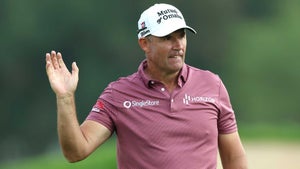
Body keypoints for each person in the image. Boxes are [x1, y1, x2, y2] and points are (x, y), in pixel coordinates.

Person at [45, 3, 248, 169]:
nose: (178, 45)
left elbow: (233, 158)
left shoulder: (212, 85)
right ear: (144, 43)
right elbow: (75, 152)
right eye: (167, 38)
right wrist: (65, 98)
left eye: (181, 36)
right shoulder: (118, 95)